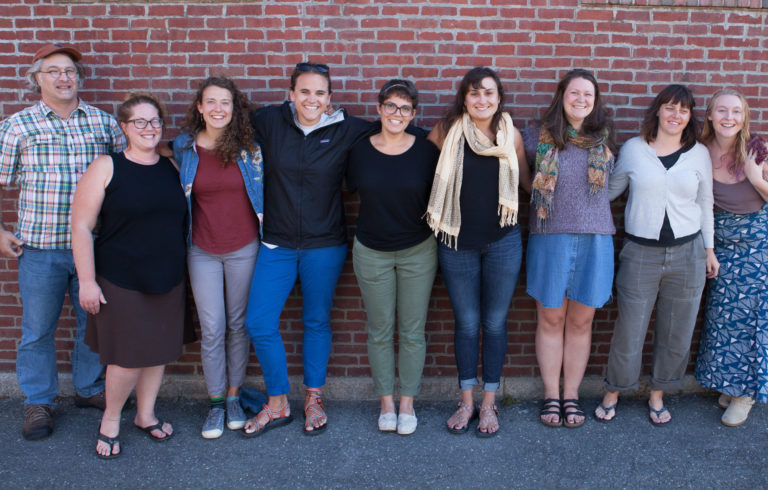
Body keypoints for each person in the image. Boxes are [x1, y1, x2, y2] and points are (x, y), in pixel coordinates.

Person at [0, 43, 126, 440]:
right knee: (38, 329)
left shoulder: (105, 124)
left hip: (95, 247)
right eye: (53, 71)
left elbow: (128, 179)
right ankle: (39, 401)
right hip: (40, 249)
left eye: (70, 70)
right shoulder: (17, 126)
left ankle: (89, 389)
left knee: (96, 323)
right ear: (36, 79)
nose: (64, 77)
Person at [243, 62, 375, 436]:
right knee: (258, 321)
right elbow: (224, 129)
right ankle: (278, 401)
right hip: (276, 243)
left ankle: (314, 395)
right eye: (304, 91)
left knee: (317, 320)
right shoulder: (269, 122)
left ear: (329, 98)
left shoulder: (347, 129)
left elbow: (400, 131)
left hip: (325, 245)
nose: (311, 99)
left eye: (319, 93)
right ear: (291, 94)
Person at [72, 93, 186, 458]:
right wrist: (87, 281)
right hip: (120, 277)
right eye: (140, 121)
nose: (149, 128)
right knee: (126, 356)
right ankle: (110, 419)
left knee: (158, 351)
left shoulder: (172, 167)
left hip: (167, 275)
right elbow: (81, 227)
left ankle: (146, 414)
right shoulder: (107, 166)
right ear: (124, 127)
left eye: (154, 121)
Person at [597, 84, 718, 425]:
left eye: (683, 110)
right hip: (640, 254)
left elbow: (704, 204)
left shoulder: (699, 154)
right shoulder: (635, 149)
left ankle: (658, 394)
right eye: (669, 107)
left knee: (676, 330)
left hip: (689, 253)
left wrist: (709, 250)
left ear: (689, 117)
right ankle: (614, 390)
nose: (675, 115)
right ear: (657, 111)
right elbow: (610, 193)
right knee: (629, 329)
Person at [426, 67, 529, 437]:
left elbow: (528, 184)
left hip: (503, 241)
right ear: (464, 99)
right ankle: (466, 401)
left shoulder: (511, 135)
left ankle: (489, 404)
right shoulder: (445, 132)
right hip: (456, 243)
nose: (481, 100)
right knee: (467, 323)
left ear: (499, 97)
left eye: (488, 93)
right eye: (474, 94)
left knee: (495, 323)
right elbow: (422, 173)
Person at [523, 69, 616, 429]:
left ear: (595, 102)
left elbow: (615, 186)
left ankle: (572, 395)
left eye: (588, 95)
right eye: (574, 93)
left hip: (596, 239)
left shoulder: (604, 141)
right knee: (550, 318)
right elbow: (521, 181)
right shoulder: (535, 137)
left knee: (581, 321)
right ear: (562, 96)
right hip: (550, 237)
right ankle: (551, 394)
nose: (581, 99)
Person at [347, 79, 439, 435]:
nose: (396, 113)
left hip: (418, 249)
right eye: (390, 106)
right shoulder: (360, 151)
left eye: (404, 108)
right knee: (380, 330)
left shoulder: (426, 152)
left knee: (413, 331)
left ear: (413, 114)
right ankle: (386, 404)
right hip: (371, 251)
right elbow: (348, 188)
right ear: (379, 109)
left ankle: (407, 405)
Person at [174, 77, 263, 439]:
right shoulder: (184, 147)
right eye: (210, 102)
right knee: (212, 329)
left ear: (234, 107)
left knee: (238, 325)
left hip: (244, 247)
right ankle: (213, 404)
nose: (217, 109)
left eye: (225, 102)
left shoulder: (250, 148)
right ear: (199, 107)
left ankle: (232, 398)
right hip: (202, 250)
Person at [695, 89, 768, 426]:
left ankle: (745, 394)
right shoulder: (697, 151)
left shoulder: (756, 149)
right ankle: (730, 383)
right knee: (722, 319)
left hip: (757, 245)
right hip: (719, 245)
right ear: (710, 115)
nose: (728, 117)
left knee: (749, 321)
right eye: (721, 110)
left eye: (736, 112)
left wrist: (755, 178)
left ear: (744, 118)